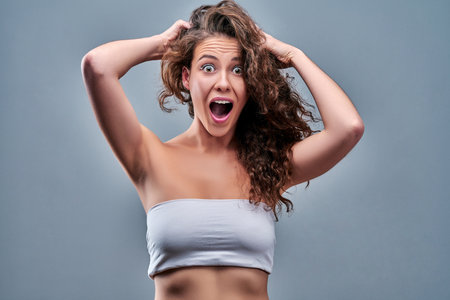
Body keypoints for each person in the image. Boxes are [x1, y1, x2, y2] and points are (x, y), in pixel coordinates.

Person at [81, 1, 364, 299]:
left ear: (249, 83)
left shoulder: (268, 166)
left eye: (238, 69)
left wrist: (294, 55)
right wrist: (164, 45)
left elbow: (348, 128)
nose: (223, 83)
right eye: (207, 67)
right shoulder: (149, 158)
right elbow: (98, 67)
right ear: (186, 78)